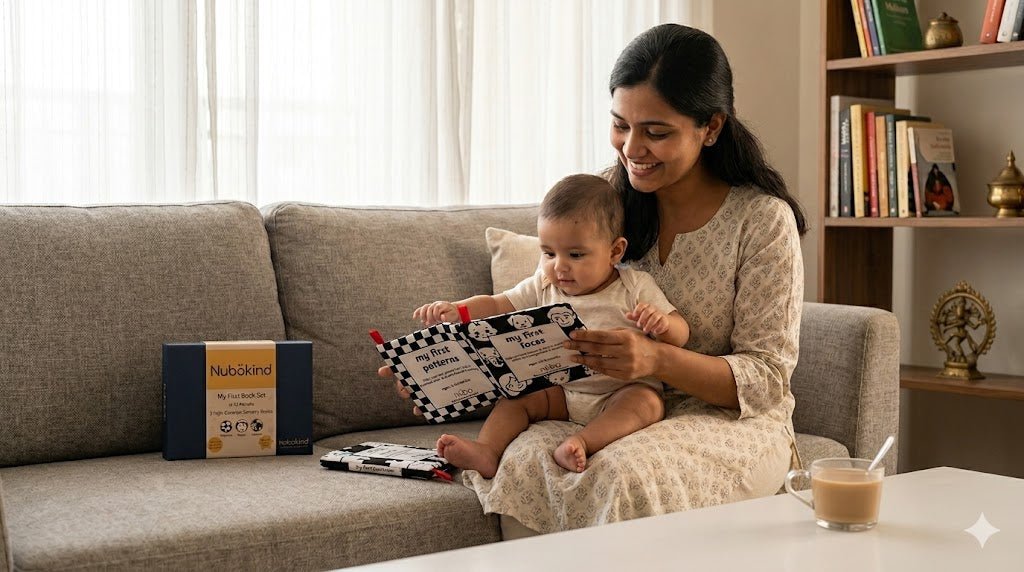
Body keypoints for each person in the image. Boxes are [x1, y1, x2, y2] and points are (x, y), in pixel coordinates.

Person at [383, 23, 807, 535]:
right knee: (528, 459)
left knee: (620, 474)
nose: (631, 149)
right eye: (619, 125)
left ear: (711, 127)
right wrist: (442, 373)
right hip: (594, 407)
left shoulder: (761, 220)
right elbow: (534, 314)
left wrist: (657, 359)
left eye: (656, 131)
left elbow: (766, 378)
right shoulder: (607, 199)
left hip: (731, 423)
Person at [413, 173, 690, 476]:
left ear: (614, 251)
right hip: (560, 392)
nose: (559, 266)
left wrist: (662, 324)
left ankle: (581, 443)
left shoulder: (634, 286)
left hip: (619, 391)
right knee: (516, 395)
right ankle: (488, 450)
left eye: (575, 254)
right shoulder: (544, 285)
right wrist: (457, 309)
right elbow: (497, 304)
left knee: (647, 403)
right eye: (548, 253)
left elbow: (681, 334)